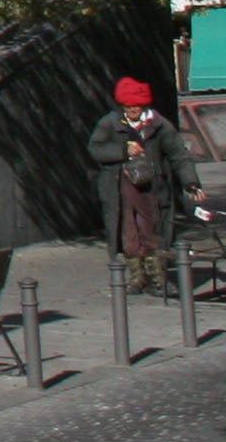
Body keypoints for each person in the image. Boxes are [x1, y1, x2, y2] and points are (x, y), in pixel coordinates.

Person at [88, 79, 209, 293]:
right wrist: (123, 151)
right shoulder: (110, 123)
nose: (133, 110)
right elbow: (96, 149)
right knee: (128, 231)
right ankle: (137, 277)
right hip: (121, 189)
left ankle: (158, 279)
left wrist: (191, 183)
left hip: (152, 188)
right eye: (128, 106)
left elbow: (179, 155)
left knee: (152, 230)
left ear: (144, 106)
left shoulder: (159, 125)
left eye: (137, 106)